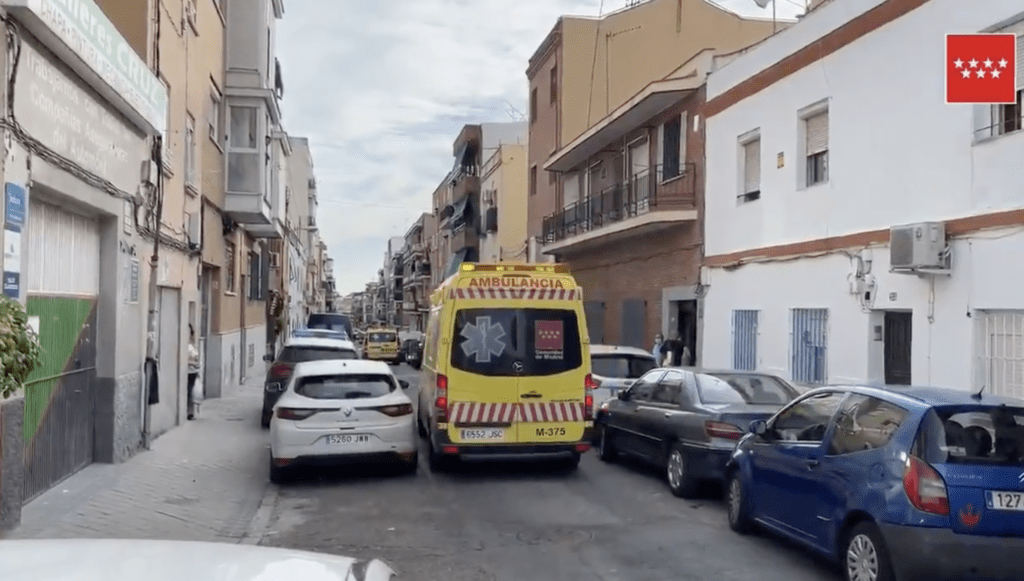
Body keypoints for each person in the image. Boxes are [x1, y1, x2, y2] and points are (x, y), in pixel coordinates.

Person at [187, 324, 201, 420]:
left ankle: (190, 412)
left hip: (193, 372)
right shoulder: (187, 346)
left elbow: (196, 359)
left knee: (190, 392)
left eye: (189, 332)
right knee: (189, 392)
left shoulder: (192, 345)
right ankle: (189, 413)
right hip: (187, 371)